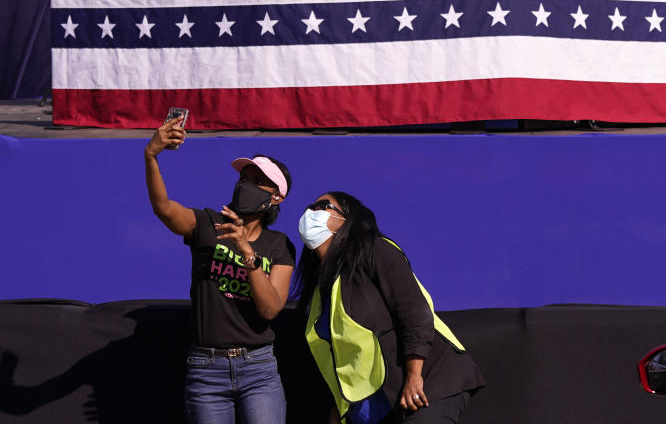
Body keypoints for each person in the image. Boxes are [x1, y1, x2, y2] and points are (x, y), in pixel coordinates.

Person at [144, 116, 296, 423]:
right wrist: (151, 156)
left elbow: (269, 309)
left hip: (259, 369)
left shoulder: (280, 245)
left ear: (276, 197)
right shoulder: (206, 224)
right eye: (244, 178)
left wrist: (246, 253)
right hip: (206, 368)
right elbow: (164, 208)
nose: (246, 185)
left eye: (257, 181)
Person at [294, 192, 484, 423]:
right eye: (311, 206)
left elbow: (414, 312)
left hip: (425, 384)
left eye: (323, 206)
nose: (312, 212)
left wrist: (415, 375)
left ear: (346, 219)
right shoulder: (321, 290)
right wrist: (339, 406)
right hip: (379, 407)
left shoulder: (374, 249)